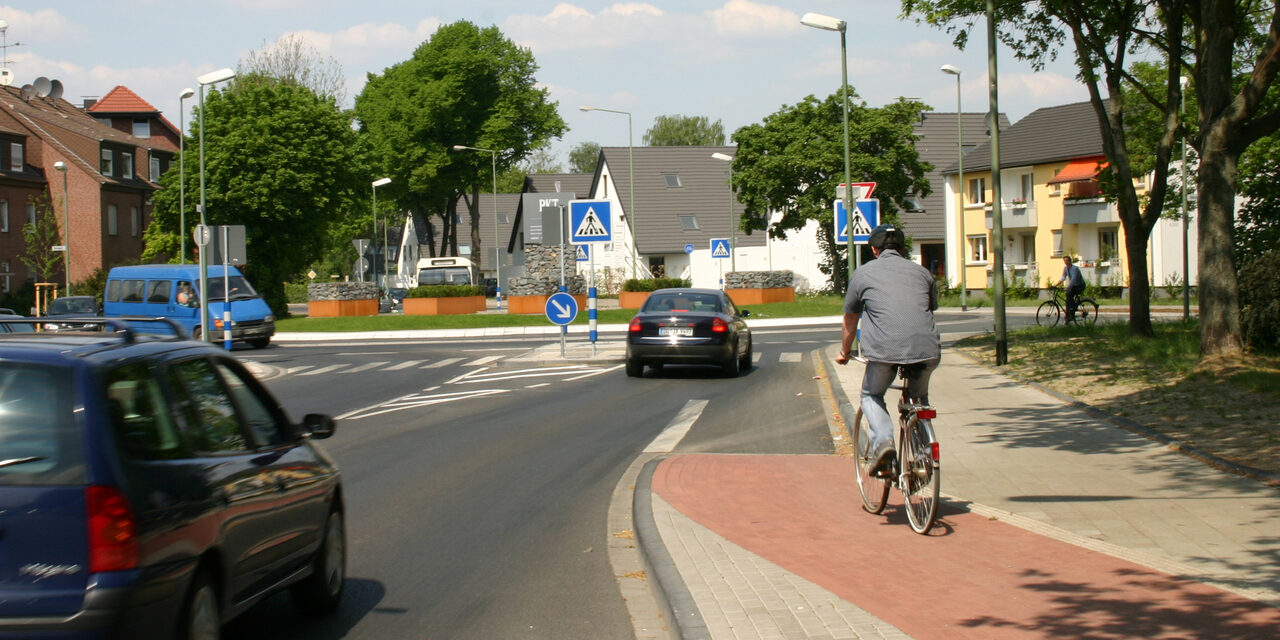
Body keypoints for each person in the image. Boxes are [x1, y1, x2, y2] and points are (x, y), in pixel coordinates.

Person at [835, 224, 941, 475]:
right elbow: (927, 308)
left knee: (871, 395)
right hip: (927, 350)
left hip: (884, 351)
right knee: (919, 400)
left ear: (874, 249)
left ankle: (884, 443)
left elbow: (851, 318)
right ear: (902, 249)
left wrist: (845, 351)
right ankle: (925, 458)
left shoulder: (863, 274)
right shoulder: (922, 273)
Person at [1059, 255, 1086, 321]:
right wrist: (1056, 285)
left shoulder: (1075, 269)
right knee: (1068, 298)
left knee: (1069, 294)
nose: (1066, 262)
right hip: (1074, 286)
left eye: (1067, 261)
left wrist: (1068, 287)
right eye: (1065, 261)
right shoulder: (1065, 268)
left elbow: (1073, 280)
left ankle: (1072, 311)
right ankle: (1069, 314)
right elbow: (1063, 277)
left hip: (1080, 285)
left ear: (1070, 261)